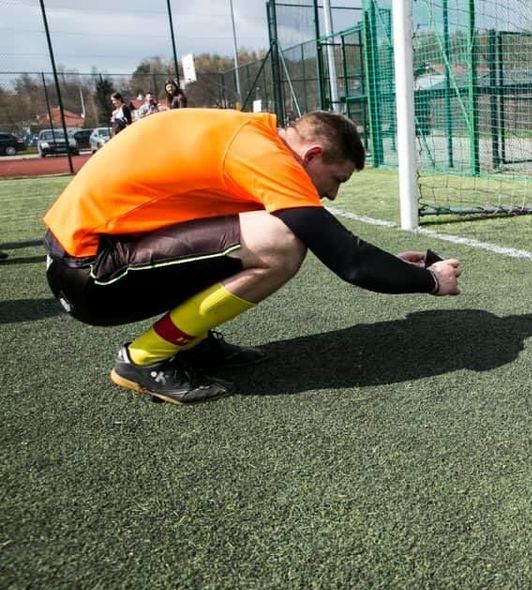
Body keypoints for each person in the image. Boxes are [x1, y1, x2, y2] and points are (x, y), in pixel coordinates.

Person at [43, 109, 462, 405]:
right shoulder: (265, 156)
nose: (333, 194)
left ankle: (194, 344)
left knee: (259, 227)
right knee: (279, 242)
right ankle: (142, 359)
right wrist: (431, 281)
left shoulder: (250, 136)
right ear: (313, 155)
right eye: (337, 180)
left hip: (84, 259)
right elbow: (348, 262)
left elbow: (331, 241)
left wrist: (390, 262)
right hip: (90, 274)